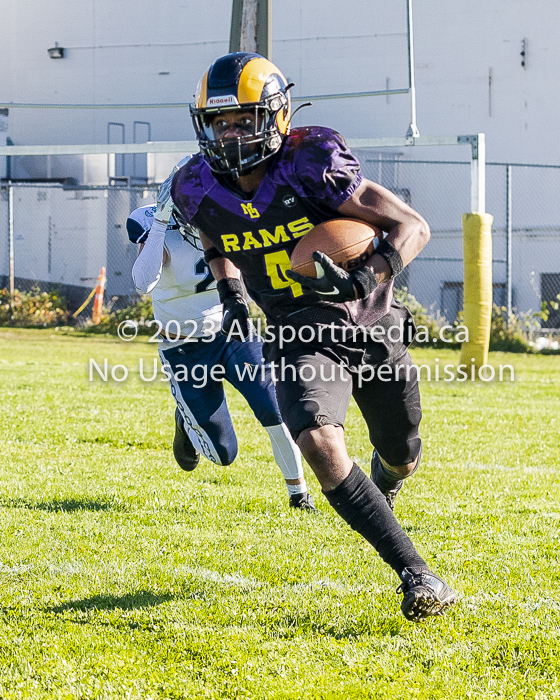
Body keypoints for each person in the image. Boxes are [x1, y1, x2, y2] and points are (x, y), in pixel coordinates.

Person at [169, 51, 457, 622]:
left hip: (371, 324)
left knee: (401, 453)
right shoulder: (196, 186)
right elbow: (216, 239)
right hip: (298, 333)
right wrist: (231, 297)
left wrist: (365, 274)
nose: (229, 135)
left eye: (243, 120)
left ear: (275, 117)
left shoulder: (310, 163)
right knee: (322, 447)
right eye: (219, 122)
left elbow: (411, 226)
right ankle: (418, 574)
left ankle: (387, 476)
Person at [126, 171, 315, 511]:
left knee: (276, 410)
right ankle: (186, 424)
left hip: (233, 334)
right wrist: (159, 223)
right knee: (223, 454)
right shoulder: (157, 226)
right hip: (183, 349)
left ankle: (298, 496)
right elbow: (144, 282)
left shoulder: (230, 218)